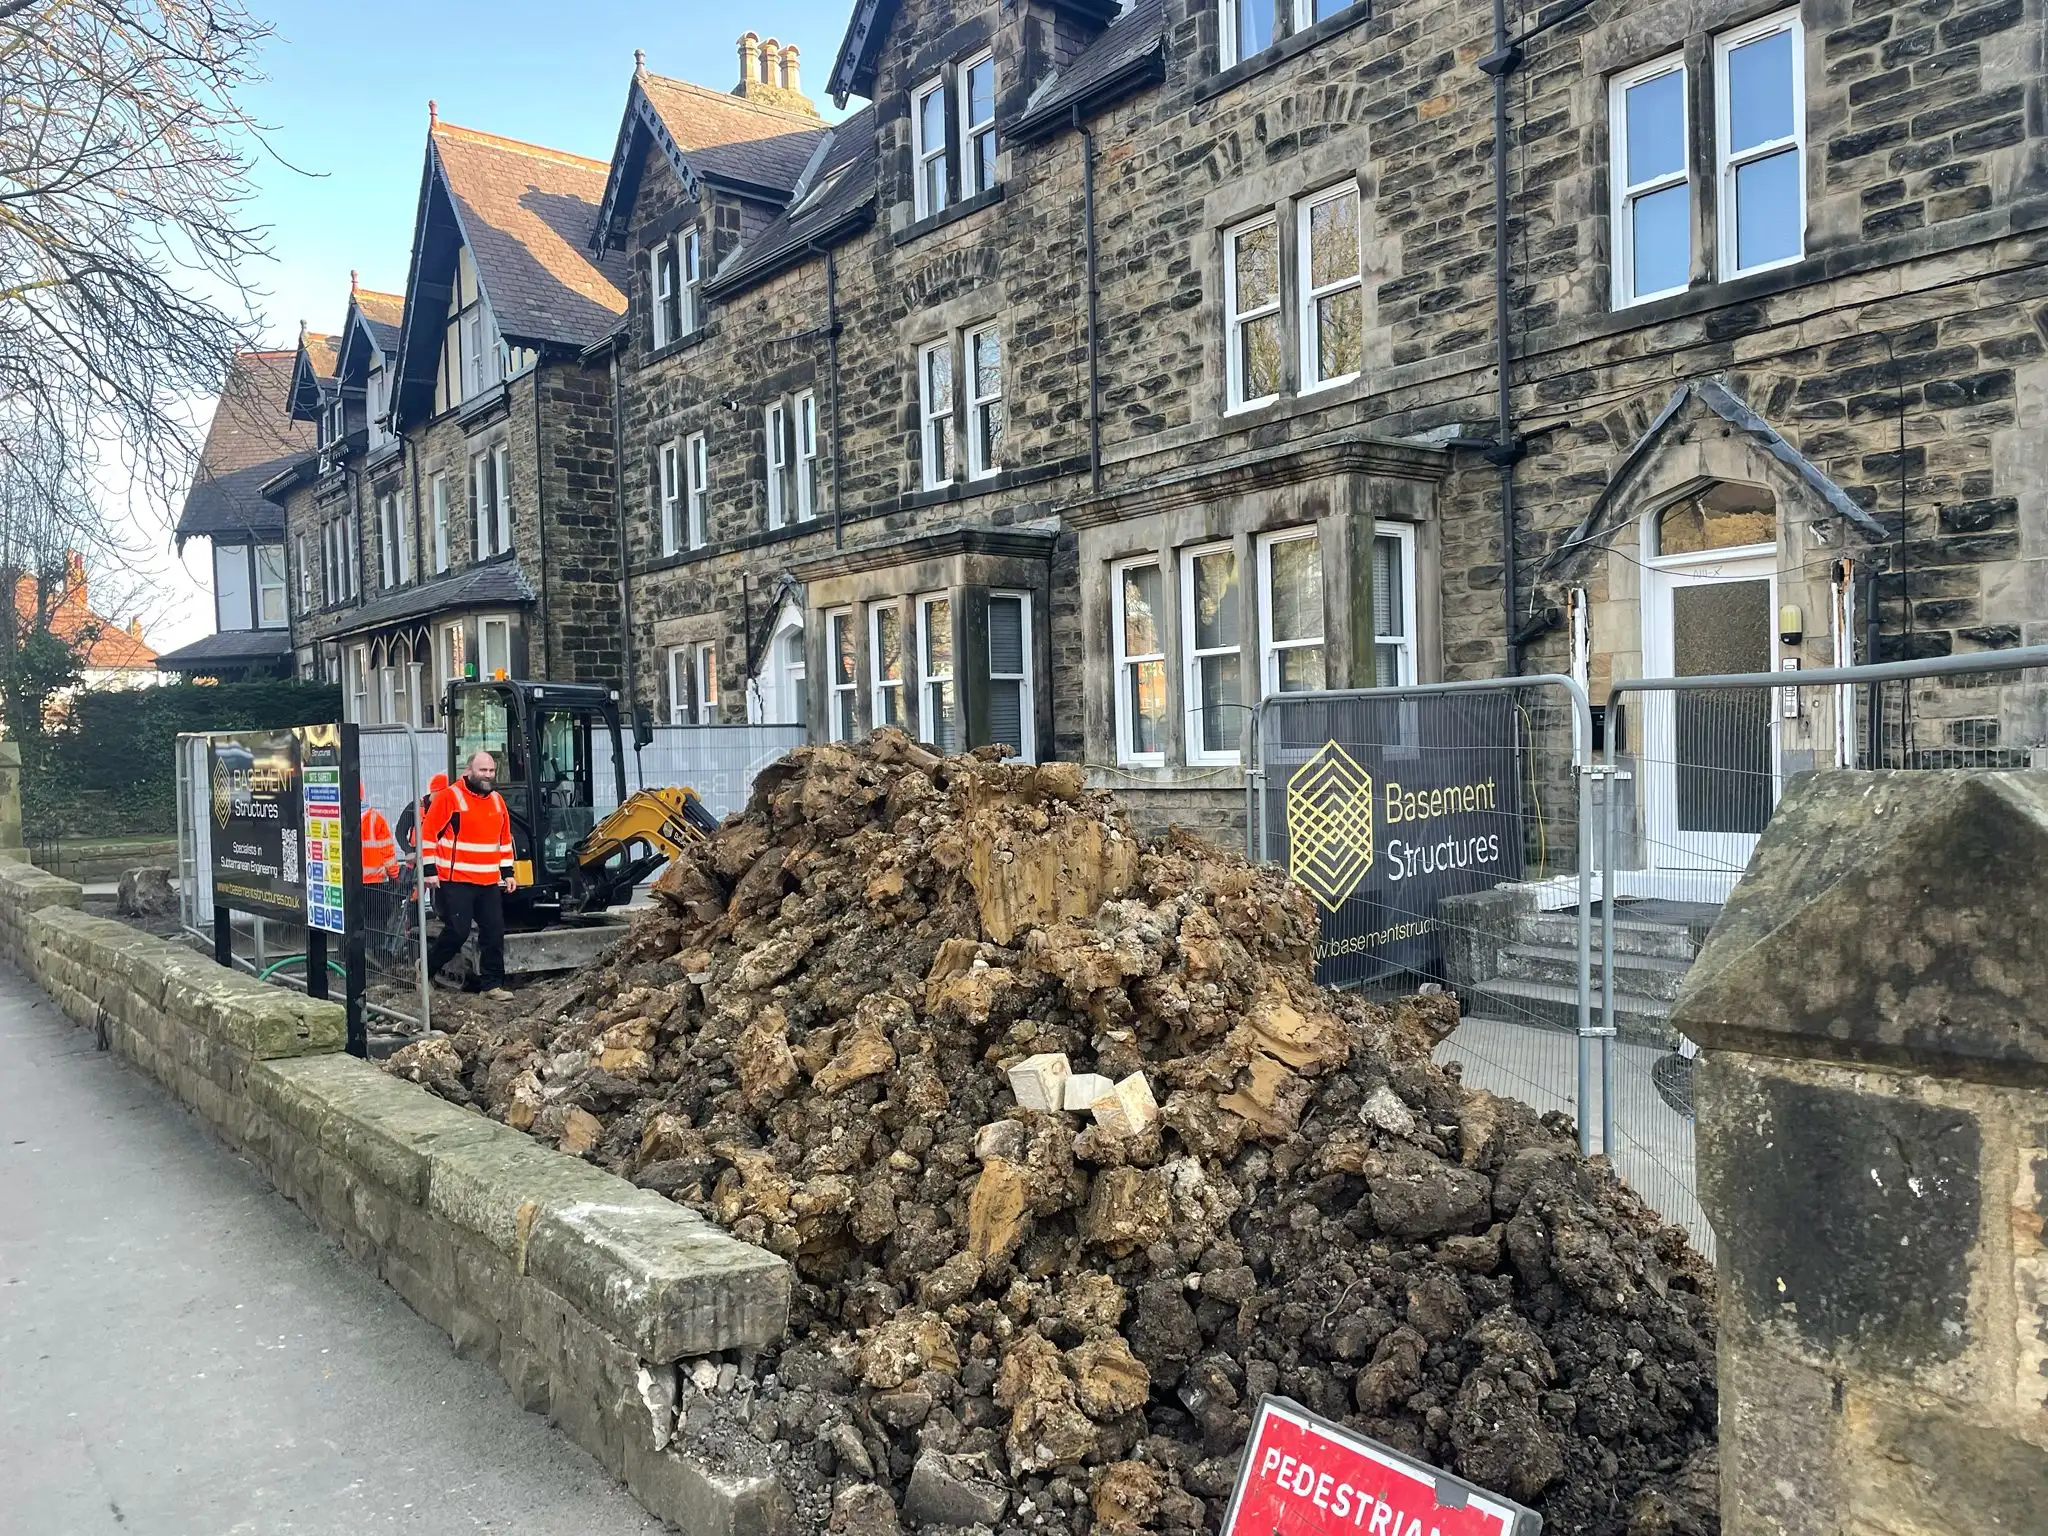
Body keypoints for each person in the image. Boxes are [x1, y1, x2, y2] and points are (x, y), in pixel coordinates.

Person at [422, 752, 517, 1000]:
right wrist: (429, 870)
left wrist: (508, 873)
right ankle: (426, 969)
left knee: (494, 933)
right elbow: (428, 834)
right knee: (458, 931)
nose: (488, 775)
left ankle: (492, 986)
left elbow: (504, 840)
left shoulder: (497, 802)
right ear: (469, 770)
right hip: (456, 880)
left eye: (491, 771)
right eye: (483, 770)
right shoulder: (449, 797)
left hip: (488, 881)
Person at [359, 800, 401, 956]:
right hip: (375, 881)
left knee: (353, 920)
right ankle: (373, 953)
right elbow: (387, 851)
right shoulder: (375, 819)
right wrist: (395, 875)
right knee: (377, 919)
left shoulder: (338, 816)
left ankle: (349, 955)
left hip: (348, 883)